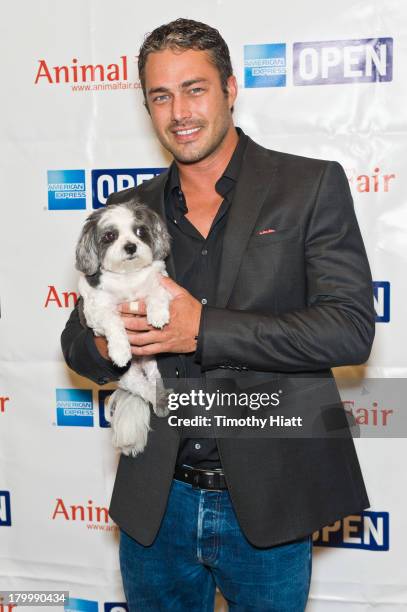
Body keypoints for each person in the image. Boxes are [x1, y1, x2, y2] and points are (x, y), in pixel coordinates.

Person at [61, 18, 375, 612]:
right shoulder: (127, 216)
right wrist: (107, 341)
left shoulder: (308, 186)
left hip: (269, 502)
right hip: (157, 504)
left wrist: (202, 329)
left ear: (231, 89)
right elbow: (76, 344)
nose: (179, 111)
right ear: (147, 106)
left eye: (195, 88)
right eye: (161, 95)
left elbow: (350, 328)